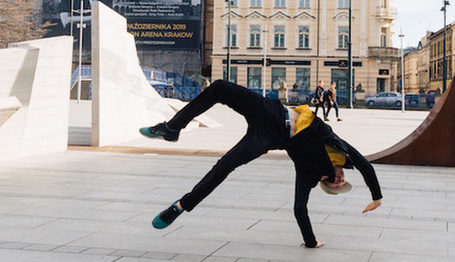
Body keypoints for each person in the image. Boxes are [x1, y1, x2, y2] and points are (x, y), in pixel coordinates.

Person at [139, 80, 381, 247]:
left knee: (223, 166)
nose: (340, 181)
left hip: (269, 138)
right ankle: (172, 128)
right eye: (342, 181)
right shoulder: (343, 151)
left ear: (327, 184)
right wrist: (377, 197)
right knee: (220, 88)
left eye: (335, 185)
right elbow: (365, 165)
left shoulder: (310, 173)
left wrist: (310, 241)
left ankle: (180, 206)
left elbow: (300, 208)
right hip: (271, 111)